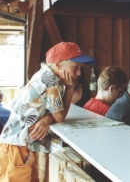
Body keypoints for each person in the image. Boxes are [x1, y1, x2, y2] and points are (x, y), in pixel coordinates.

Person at [0, 42, 95, 182]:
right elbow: (60, 117)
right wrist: (69, 88)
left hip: (14, 145)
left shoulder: (44, 74)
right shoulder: (52, 82)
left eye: (80, 68)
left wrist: (47, 119)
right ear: (57, 64)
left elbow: (54, 114)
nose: (79, 73)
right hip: (18, 148)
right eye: (75, 68)